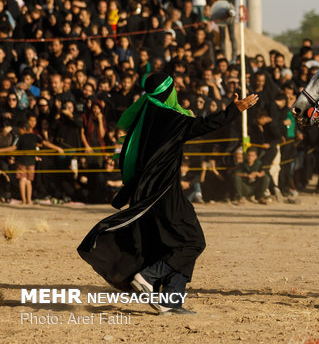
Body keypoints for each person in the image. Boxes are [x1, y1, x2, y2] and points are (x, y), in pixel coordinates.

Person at [78, 73, 258, 315]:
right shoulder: (168, 119)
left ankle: (170, 301)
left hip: (150, 192)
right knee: (193, 241)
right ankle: (148, 277)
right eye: (174, 88)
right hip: (162, 194)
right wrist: (234, 109)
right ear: (168, 92)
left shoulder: (146, 116)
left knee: (173, 244)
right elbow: (202, 126)